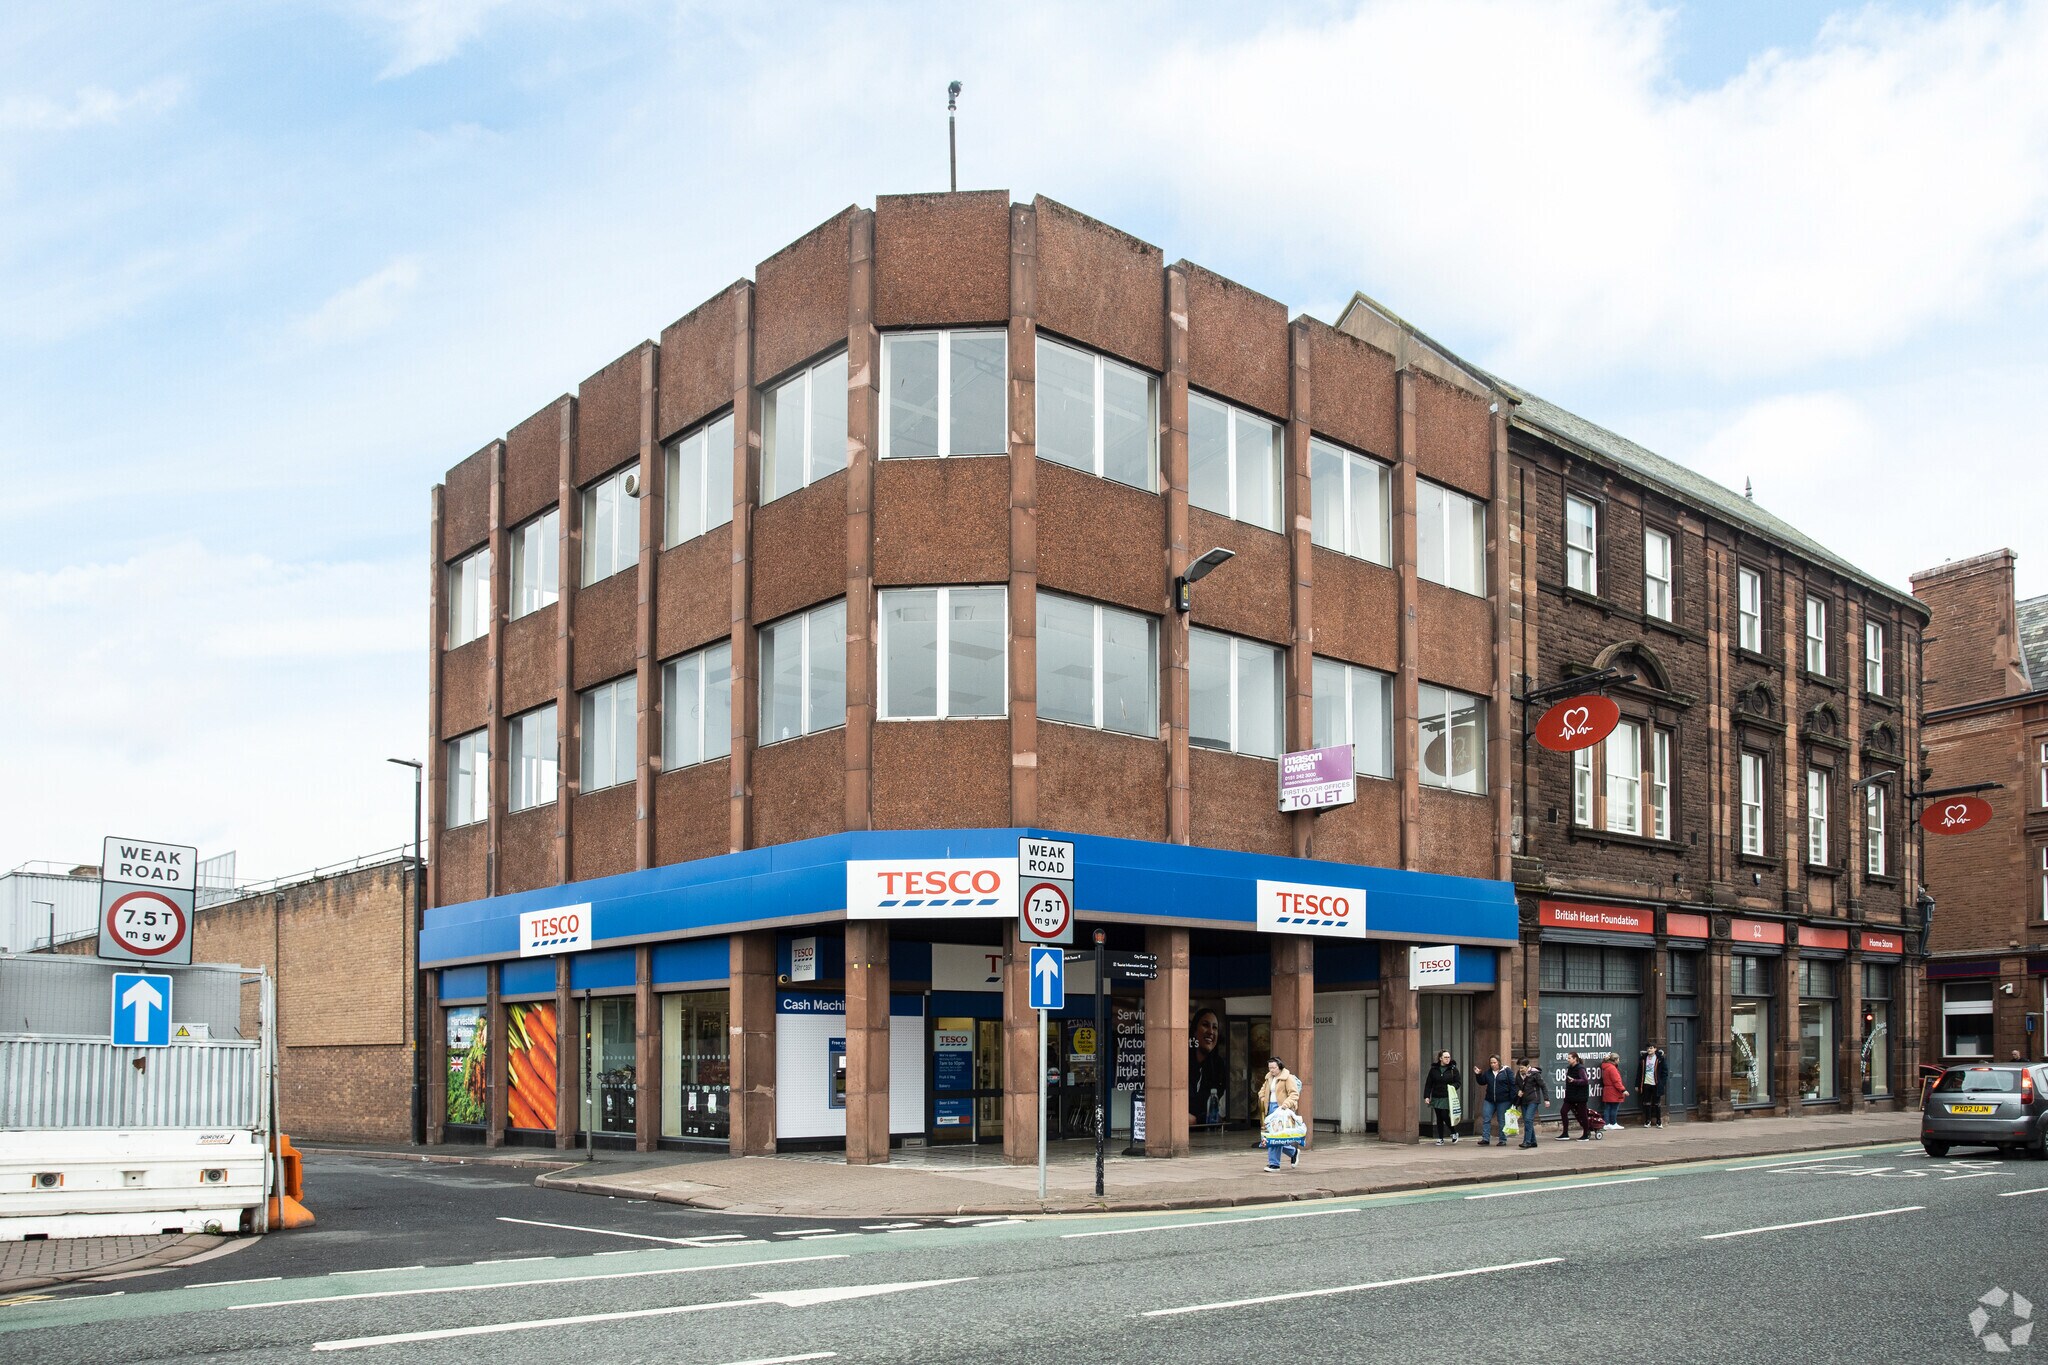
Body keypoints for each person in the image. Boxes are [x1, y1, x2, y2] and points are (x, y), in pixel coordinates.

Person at [1257, 1057, 1303, 1172]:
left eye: (1273, 1067)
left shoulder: (1287, 1078)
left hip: (1281, 1110)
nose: (1271, 1070)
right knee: (1274, 1138)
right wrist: (1263, 1098)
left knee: (1274, 1137)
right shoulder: (1268, 1078)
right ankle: (1293, 1152)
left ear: (1279, 1066)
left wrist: (1285, 1104)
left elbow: (1294, 1094)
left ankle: (1274, 1164)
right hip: (1270, 1109)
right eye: (1269, 1067)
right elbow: (1262, 1090)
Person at [1188, 1007, 1228, 1126]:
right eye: (1205, 1025)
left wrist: (1196, 1120)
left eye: (1214, 1027)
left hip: (1208, 1133)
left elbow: (1221, 1114)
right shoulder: (1181, 1062)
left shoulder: (1220, 1067)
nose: (1211, 1031)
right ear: (1194, 1031)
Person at [1472, 1054, 1515, 1147]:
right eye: (1491, 1063)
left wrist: (1513, 1099)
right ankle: (1485, 1138)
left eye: (1494, 1062)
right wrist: (1478, 1075)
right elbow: (1482, 1082)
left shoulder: (1506, 1071)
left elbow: (1513, 1085)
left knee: (1501, 1120)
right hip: (1490, 1099)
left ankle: (1502, 1139)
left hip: (1503, 1100)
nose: (1492, 1064)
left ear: (1499, 1062)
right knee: (1486, 1118)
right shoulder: (1488, 1073)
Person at [1425, 1050, 1461, 1146]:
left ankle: (1454, 1132)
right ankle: (1440, 1138)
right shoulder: (1434, 1070)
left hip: (1447, 1096)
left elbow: (1458, 1082)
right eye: (1445, 1057)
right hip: (1436, 1096)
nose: (1447, 1059)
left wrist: (1452, 1087)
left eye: (1449, 1057)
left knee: (1445, 1115)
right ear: (1440, 1058)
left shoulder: (1453, 1069)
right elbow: (1429, 1084)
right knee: (1439, 1117)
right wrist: (1427, 1096)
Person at [1515, 1058, 1550, 1149]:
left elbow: (1543, 1086)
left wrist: (1546, 1099)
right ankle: (1533, 1141)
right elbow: (1515, 1085)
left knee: (1528, 1119)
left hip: (1533, 1100)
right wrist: (1518, 1091)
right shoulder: (1518, 1075)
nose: (1520, 1070)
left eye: (1522, 1068)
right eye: (1519, 1068)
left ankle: (1527, 1141)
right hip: (1523, 1101)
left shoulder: (1535, 1074)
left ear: (1527, 1066)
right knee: (1528, 1121)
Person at [1559, 1051, 1593, 1141]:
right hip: (1570, 1095)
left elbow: (1585, 1081)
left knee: (1582, 1114)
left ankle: (1586, 1133)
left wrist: (1574, 1081)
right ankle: (1565, 1133)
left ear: (1575, 1059)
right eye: (1568, 1058)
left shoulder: (1580, 1068)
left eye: (1570, 1058)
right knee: (1563, 1111)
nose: (1568, 1060)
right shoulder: (1570, 1068)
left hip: (1580, 1096)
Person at [1639, 1043, 1669, 1128]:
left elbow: (1665, 1072)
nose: (1649, 1050)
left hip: (1656, 1083)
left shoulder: (1660, 1059)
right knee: (1646, 1103)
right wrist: (1637, 1085)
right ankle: (1647, 1121)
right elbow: (1639, 1072)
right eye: (1648, 1048)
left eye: (1651, 1048)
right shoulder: (1643, 1059)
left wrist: (1661, 1082)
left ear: (1655, 1049)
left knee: (1657, 1103)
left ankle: (1659, 1121)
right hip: (1646, 1083)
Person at [1598, 1052, 1627, 1135]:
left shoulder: (1606, 1067)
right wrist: (1623, 1090)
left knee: (1608, 1107)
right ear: (1615, 1060)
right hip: (1613, 1090)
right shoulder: (1612, 1068)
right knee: (1614, 1107)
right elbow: (1616, 1081)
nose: (1619, 1061)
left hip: (1608, 1089)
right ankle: (1613, 1123)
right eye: (1618, 1059)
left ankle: (1607, 1123)